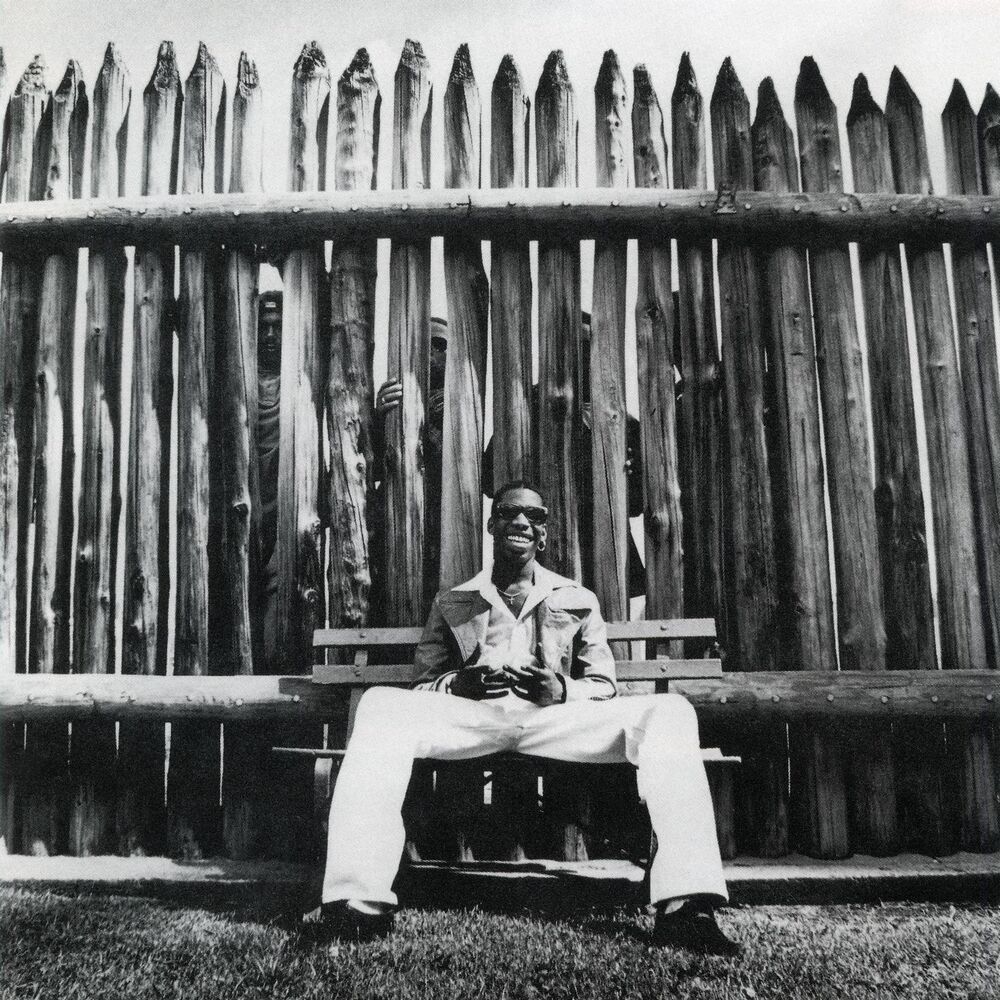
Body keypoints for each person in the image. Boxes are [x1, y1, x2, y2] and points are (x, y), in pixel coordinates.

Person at [316, 480, 740, 955]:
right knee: (379, 704)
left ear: (544, 534)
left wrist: (563, 690)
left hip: (554, 721)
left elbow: (603, 685)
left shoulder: (578, 597)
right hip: (473, 719)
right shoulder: (454, 601)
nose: (521, 522)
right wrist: (458, 684)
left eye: (534, 517)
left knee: (670, 710)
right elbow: (422, 686)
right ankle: (357, 904)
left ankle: (687, 908)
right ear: (492, 525)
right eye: (509, 513)